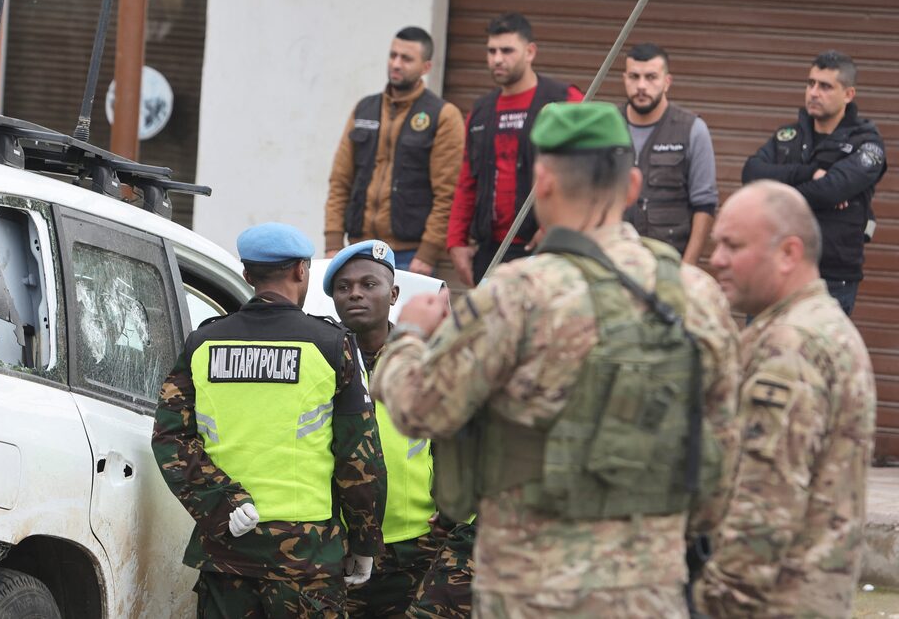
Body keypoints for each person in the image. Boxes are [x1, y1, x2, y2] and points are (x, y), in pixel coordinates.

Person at [372, 102, 742, 617]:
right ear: (633, 186)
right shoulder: (697, 295)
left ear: (541, 182)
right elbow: (722, 459)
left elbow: (418, 410)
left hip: (532, 590)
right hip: (649, 590)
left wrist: (410, 333)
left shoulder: (517, 293)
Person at [152, 222, 386, 618]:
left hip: (228, 551)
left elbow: (169, 439)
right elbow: (359, 457)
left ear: (247, 275)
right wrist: (365, 543)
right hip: (307, 558)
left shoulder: (203, 343)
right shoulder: (331, 345)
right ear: (300, 270)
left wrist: (222, 502)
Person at [696, 180, 877, 617]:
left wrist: (709, 604)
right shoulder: (820, 325)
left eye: (733, 245)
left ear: (788, 253)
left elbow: (763, 511)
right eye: (716, 243)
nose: (716, 259)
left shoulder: (791, 347)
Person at [325, 241, 474, 618]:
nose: (355, 293)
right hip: (341, 546)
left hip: (416, 547)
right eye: (343, 287)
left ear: (393, 295)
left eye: (368, 284)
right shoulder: (322, 357)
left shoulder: (424, 359)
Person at [742, 50, 887, 315]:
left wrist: (776, 191)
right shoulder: (787, 137)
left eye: (825, 86)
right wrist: (808, 173)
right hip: (775, 270)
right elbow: (751, 173)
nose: (814, 93)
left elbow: (830, 190)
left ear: (848, 94)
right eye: (810, 84)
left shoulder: (866, 144)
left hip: (831, 278)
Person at [446, 12, 584, 287]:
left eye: (507, 50)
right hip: (490, 251)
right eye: (492, 51)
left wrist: (555, 226)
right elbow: (467, 181)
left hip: (546, 247)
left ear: (530, 52)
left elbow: (585, 173)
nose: (497, 59)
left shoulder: (564, 100)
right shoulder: (480, 111)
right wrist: (456, 241)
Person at [324, 27, 465, 276]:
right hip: (358, 248)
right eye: (393, 55)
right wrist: (333, 242)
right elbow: (340, 180)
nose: (396, 64)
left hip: (409, 256)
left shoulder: (443, 115)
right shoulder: (364, 109)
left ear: (426, 67)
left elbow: (448, 193)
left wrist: (427, 253)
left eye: (406, 58)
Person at [620, 43, 718, 264]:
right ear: (624, 79)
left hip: (668, 264)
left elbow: (705, 205)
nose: (641, 86)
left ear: (667, 82)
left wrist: (686, 268)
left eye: (651, 77)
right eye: (634, 77)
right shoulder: (608, 127)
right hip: (615, 262)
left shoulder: (692, 129)